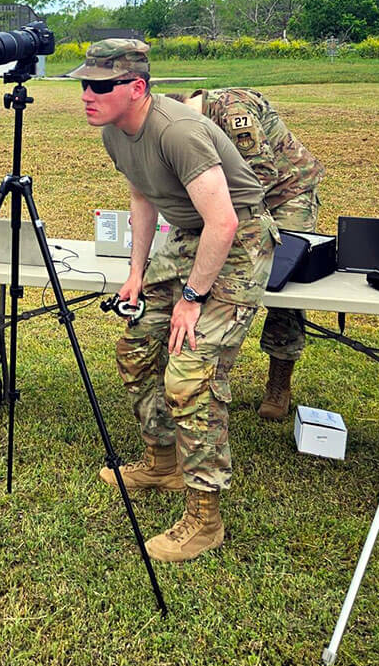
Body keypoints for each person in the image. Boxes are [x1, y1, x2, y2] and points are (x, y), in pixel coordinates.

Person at [73, 39, 276, 563]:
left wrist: (191, 297)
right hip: (186, 235)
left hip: (238, 240)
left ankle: (205, 518)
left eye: (100, 86)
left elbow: (226, 222)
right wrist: (137, 273)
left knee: (190, 375)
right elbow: (143, 195)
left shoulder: (178, 131)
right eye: (83, 85)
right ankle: (162, 463)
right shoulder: (115, 132)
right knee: (136, 350)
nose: (87, 96)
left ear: (136, 88)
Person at [170, 88, 324, 421]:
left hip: (287, 195)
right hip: (242, 195)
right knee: (223, 273)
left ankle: (279, 383)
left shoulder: (232, 111)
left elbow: (262, 175)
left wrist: (217, 209)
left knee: (283, 286)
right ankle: (205, 372)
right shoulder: (195, 122)